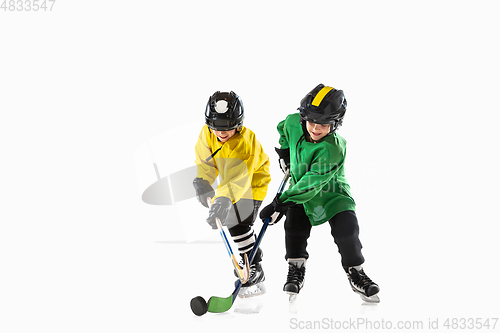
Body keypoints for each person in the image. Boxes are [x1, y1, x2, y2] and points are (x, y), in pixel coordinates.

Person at [259, 84, 380, 302]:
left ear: (335, 124)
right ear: (303, 117)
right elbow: (282, 129)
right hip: (298, 189)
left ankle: (356, 272)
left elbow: (310, 183)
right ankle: (296, 269)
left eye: (324, 124)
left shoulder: (334, 148)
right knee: (294, 229)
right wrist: (285, 153)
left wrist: (280, 203)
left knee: (347, 231)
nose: (315, 128)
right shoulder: (294, 122)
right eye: (312, 122)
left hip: (331, 193)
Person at [193, 91, 271, 297]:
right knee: (230, 219)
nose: (221, 133)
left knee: (239, 221)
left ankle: (255, 267)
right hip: (230, 184)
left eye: (227, 128)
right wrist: (203, 180)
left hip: (252, 183)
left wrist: (223, 199)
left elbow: (239, 177)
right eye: (216, 128)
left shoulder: (246, 141)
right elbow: (206, 161)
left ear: (238, 123)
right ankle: (252, 267)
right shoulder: (207, 133)